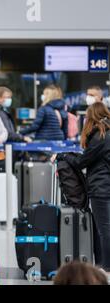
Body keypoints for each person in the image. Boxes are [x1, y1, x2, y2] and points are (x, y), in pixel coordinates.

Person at [54, 102, 110, 275]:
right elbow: (92, 157)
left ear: (91, 117)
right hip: (106, 183)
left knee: (105, 229)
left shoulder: (100, 135)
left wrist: (63, 156)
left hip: (101, 187)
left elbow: (81, 162)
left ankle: (106, 266)